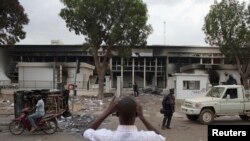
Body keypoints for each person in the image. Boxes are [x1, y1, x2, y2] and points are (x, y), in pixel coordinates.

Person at [83, 96, 165, 141]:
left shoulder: (105, 136)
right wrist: (142, 118)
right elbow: (161, 138)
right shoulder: (147, 137)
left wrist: (107, 111)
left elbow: (87, 132)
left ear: (117, 114)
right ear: (137, 114)